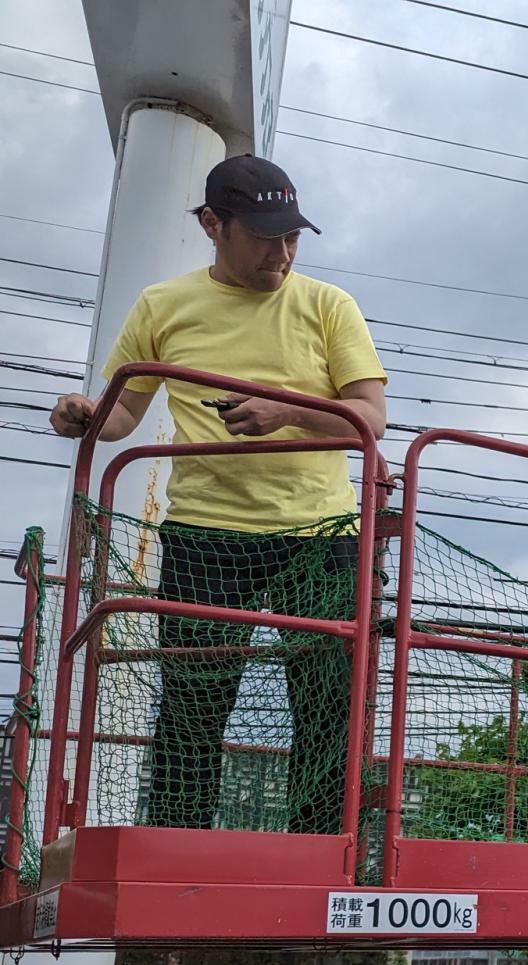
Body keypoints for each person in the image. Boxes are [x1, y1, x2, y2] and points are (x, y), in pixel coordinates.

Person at [49, 155, 387, 835]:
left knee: (329, 707)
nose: (281, 251)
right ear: (213, 225)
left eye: (291, 236)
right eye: (264, 235)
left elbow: (370, 421)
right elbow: (121, 418)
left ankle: (323, 851)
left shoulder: (328, 306)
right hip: (206, 534)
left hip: (320, 538)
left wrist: (284, 410)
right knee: (191, 705)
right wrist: (84, 413)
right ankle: (177, 842)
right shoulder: (163, 306)